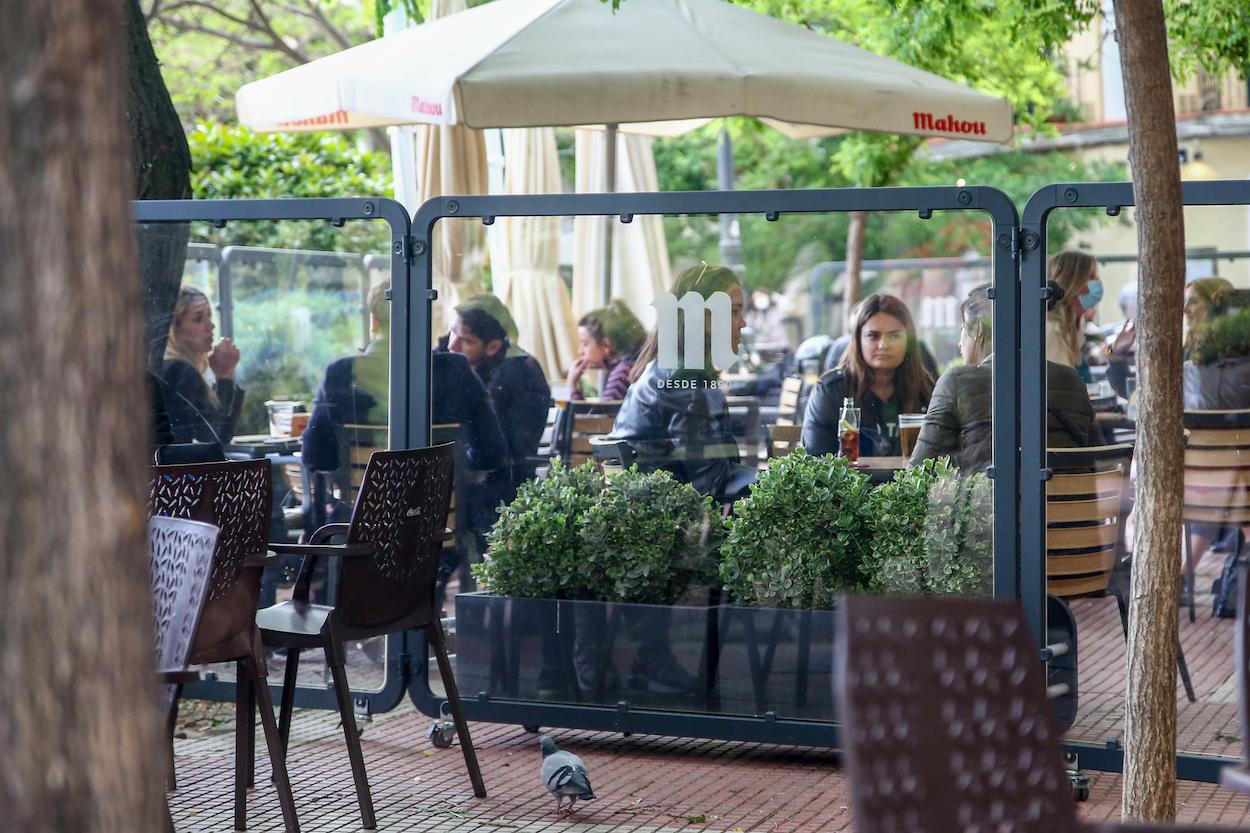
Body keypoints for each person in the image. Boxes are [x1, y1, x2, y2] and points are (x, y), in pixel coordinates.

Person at [303, 281, 511, 609]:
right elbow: (493, 453)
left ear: (373, 321)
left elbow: (315, 455)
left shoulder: (341, 373)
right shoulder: (455, 370)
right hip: (439, 523)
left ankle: (368, 608)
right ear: (422, 319)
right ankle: (422, 607)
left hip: (364, 522)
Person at [910, 285, 1103, 474]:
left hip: (993, 506)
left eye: (963, 328)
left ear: (977, 330)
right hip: (1072, 504)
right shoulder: (1071, 379)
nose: (960, 342)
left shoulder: (956, 381)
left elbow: (919, 471)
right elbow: (1099, 460)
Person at [608, 263, 757, 501]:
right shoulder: (684, 377)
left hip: (655, 517)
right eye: (733, 311)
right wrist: (778, 483)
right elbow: (711, 483)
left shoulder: (663, 368)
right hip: (674, 526)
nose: (743, 323)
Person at [801, 294, 934, 458]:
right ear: (858, 339)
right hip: (847, 484)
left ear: (909, 341)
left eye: (894, 335)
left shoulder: (926, 389)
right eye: (873, 335)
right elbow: (814, 459)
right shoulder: (831, 389)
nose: (883, 345)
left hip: (913, 484)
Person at [448, 294, 552, 489]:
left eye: (466, 341)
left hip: (501, 491)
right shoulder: (486, 366)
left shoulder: (516, 373)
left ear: (493, 347)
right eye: (453, 332)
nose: (452, 345)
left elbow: (497, 451)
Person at [161, 285, 244, 444]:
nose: (211, 326)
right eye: (198, 319)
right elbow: (214, 437)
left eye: (209, 317)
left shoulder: (165, 367)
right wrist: (225, 374)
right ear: (174, 328)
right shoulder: (179, 371)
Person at [567, 300, 646, 402]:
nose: (580, 351)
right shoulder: (630, 366)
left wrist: (572, 387)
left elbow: (602, 417)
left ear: (606, 344)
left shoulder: (622, 373)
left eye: (585, 344)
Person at [1045, 250, 1098, 376]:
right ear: (1073, 283)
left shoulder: (1075, 322)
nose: (1096, 283)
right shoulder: (1049, 327)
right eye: (1090, 277)